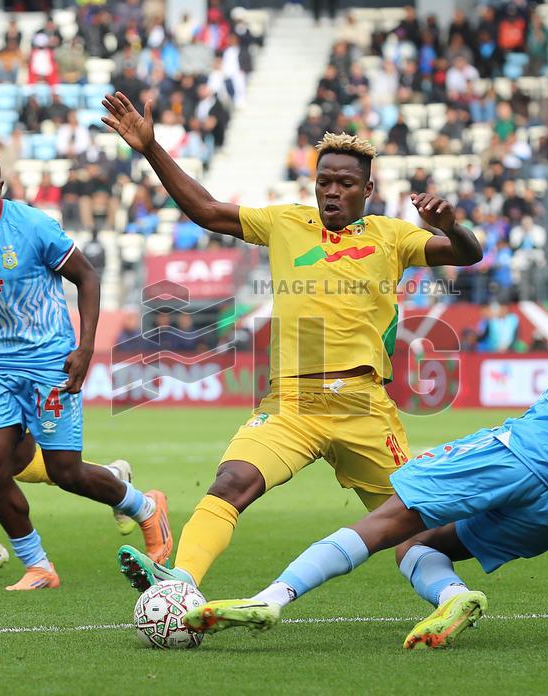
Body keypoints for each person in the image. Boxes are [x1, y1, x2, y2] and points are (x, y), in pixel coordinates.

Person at [184, 243, 548, 647]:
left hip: (524, 453)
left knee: (391, 518)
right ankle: (452, 598)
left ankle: (271, 599)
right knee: (420, 545)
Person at [99, 91, 482, 593]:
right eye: (324, 181)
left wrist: (452, 226)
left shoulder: (392, 236)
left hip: (363, 406)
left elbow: (467, 254)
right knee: (232, 482)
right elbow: (206, 211)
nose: (332, 192)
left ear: (367, 189)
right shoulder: (286, 222)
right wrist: (151, 148)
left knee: (414, 526)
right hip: (292, 403)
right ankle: (178, 582)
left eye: (345, 183)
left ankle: (452, 595)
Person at [0, 153, 169, 589]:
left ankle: (143, 506)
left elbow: (87, 277)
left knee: (66, 472)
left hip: (49, 360)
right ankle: (38, 565)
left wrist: (85, 348)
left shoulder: (33, 226)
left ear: (1, 185)